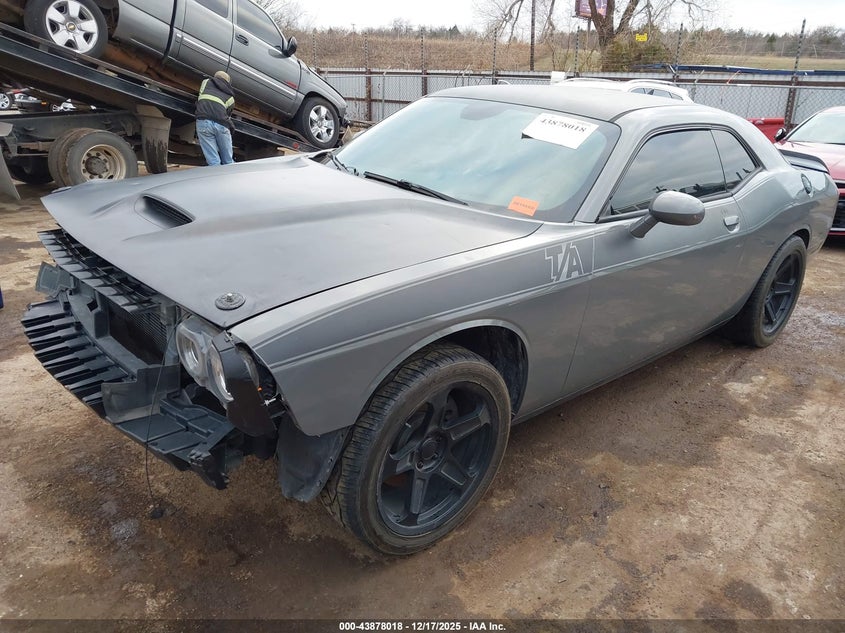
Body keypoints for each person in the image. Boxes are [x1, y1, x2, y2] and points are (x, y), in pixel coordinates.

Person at [196, 70, 235, 166]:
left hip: (204, 122)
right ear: (228, 83)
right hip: (222, 125)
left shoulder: (205, 83)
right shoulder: (231, 98)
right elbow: (228, 114)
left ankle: (216, 175)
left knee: (213, 162)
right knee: (228, 162)